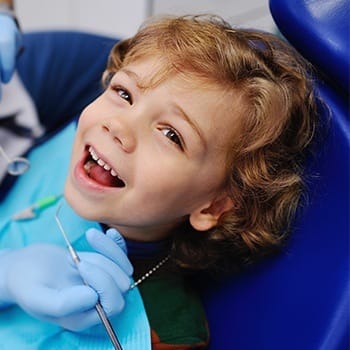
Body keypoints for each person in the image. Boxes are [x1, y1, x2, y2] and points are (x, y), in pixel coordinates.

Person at [0, 14, 319, 349]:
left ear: (212, 206)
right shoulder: (65, 141)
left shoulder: (166, 333)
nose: (118, 126)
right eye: (124, 93)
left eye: (171, 135)